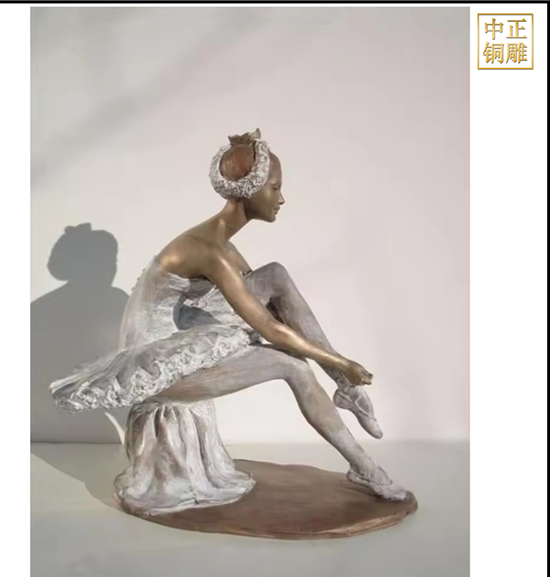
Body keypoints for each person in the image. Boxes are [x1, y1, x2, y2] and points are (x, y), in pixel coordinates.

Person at [50, 129, 406, 505]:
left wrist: (335, 364)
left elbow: (269, 303)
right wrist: (341, 360)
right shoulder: (209, 250)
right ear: (249, 190)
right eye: (274, 187)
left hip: (184, 338)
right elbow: (268, 326)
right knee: (294, 367)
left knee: (275, 275)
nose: (282, 198)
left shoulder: (222, 245)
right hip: (160, 369)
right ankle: (365, 467)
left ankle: (346, 388)